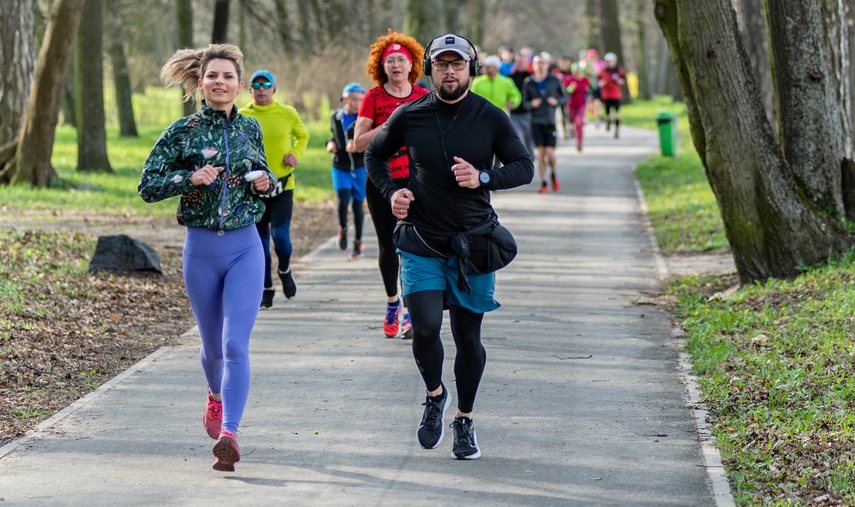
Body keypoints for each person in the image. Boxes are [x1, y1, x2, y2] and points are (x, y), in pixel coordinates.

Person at [365, 33, 533, 460]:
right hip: (421, 239)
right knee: (422, 326)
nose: (450, 72)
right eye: (442, 64)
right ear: (430, 70)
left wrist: (485, 178)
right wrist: (391, 194)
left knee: (468, 336)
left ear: (471, 70)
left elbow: (524, 167)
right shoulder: (410, 114)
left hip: (474, 244)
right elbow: (374, 157)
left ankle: (464, 419)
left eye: (458, 65)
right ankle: (435, 394)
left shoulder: (491, 117)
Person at [139, 43, 276, 472]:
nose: (220, 82)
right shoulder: (182, 131)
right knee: (213, 347)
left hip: (245, 246)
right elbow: (148, 186)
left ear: (239, 85)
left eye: (228, 77)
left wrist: (265, 184)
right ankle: (215, 396)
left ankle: (231, 435)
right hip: (201, 249)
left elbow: (269, 184)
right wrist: (187, 177)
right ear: (201, 83)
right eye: (213, 76)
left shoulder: (251, 129)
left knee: (236, 344)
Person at [353, 30, 428, 339]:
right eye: (390, 61)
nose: (396, 65)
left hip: (417, 182)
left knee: (415, 246)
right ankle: (392, 302)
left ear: (412, 65)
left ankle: (411, 311)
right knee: (389, 246)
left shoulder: (423, 97)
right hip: (382, 182)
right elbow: (358, 143)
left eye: (402, 59)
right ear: (381, 67)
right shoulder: (373, 98)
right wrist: (389, 125)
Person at [238, 70, 309, 308]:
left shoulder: (287, 112)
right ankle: (266, 289)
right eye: (256, 85)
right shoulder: (242, 115)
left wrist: (295, 154)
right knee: (260, 244)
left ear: (274, 89)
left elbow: (303, 135)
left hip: (282, 186)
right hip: (254, 189)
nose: (261, 89)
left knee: (281, 239)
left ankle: (285, 270)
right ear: (249, 90)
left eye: (265, 84)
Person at [327, 82, 367, 259]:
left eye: (360, 100)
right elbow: (333, 135)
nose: (357, 104)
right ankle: (343, 228)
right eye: (353, 100)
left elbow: (373, 142)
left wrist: (359, 147)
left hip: (359, 167)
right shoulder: (335, 116)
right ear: (344, 99)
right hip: (340, 166)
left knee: (358, 205)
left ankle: (358, 241)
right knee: (343, 201)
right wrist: (330, 143)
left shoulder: (365, 119)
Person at [522, 54, 567, 193]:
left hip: (550, 121)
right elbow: (524, 102)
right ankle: (543, 182)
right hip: (535, 121)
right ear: (533, 65)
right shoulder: (528, 82)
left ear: (547, 65)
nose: (540, 65)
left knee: (550, 153)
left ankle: (553, 173)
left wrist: (557, 102)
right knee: (541, 153)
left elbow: (564, 97)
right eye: (537, 63)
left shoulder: (554, 80)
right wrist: (531, 104)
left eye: (543, 63)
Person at [509, 52, 535, 158]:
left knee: (529, 141)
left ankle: (530, 160)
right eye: (518, 61)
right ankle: (521, 160)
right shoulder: (509, 78)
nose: (520, 64)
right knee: (518, 138)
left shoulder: (531, 78)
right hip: (514, 114)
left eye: (522, 62)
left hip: (528, 113)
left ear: (527, 63)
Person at [598, 52, 626, 139]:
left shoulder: (619, 70)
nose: (610, 63)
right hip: (606, 95)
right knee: (607, 113)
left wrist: (617, 80)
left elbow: (623, 81)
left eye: (611, 61)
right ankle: (608, 123)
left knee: (617, 114)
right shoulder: (603, 71)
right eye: (608, 61)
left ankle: (617, 130)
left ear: (615, 61)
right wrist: (602, 83)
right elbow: (599, 82)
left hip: (616, 95)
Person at [563, 63, 591, 152]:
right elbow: (565, 92)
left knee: (579, 123)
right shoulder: (569, 80)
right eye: (575, 71)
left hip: (581, 105)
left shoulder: (585, 80)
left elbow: (588, 92)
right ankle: (572, 130)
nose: (577, 73)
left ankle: (579, 143)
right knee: (573, 123)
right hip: (571, 105)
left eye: (579, 71)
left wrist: (589, 100)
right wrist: (571, 87)